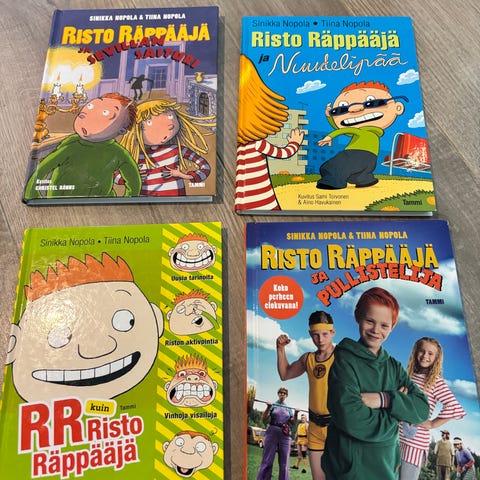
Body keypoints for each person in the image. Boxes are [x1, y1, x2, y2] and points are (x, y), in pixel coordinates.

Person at [321, 287, 430, 480]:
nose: (376, 330)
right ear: (358, 316)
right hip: (350, 469)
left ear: (392, 326)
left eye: (384, 325)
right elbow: (352, 419)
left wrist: (386, 400)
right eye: (370, 321)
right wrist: (396, 417)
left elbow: (422, 409)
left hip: (387, 468)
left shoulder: (394, 367)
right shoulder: (344, 361)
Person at [24, 93, 142, 199]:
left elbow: (133, 180)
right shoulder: (72, 145)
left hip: (102, 200)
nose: (89, 113)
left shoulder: (118, 153)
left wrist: (128, 199)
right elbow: (43, 169)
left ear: (121, 130)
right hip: (62, 198)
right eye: (91, 106)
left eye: (105, 112)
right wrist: (32, 194)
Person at [235, 54, 305, 212]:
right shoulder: (258, 144)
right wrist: (295, 143)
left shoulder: (241, 148)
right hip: (265, 203)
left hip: (247, 202)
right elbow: (283, 153)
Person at [277, 311, 336, 480]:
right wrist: (280, 349)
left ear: (332, 332)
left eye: (325, 334)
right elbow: (285, 374)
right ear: (310, 334)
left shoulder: (343, 356)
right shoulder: (308, 359)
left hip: (337, 427)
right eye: (316, 335)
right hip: (315, 428)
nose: (320, 339)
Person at [316, 81, 406, 190]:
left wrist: (330, 136)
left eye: (371, 103)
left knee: (332, 166)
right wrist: (330, 117)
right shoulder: (372, 133)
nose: (355, 109)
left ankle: (333, 182)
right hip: (372, 158)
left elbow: (344, 130)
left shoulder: (361, 131)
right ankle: (364, 179)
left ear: (398, 108)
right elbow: (341, 127)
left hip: (354, 154)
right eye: (342, 109)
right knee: (361, 170)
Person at [399, 337, 466, 479]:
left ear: (436, 358)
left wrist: (432, 424)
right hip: (397, 438)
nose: (425, 356)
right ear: (415, 352)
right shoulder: (408, 375)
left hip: (414, 444)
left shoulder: (435, 381)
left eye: (430, 353)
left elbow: (454, 406)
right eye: (421, 351)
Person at [119, 99, 214, 197]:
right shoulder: (137, 156)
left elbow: (205, 167)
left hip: (175, 201)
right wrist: (131, 178)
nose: (169, 125)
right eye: (149, 122)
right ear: (136, 130)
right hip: (144, 202)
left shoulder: (176, 150)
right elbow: (115, 173)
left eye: (170, 116)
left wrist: (183, 175)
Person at [256, 387, 297, 480]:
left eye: (284, 393)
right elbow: (264, 418)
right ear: (278, 394)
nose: (282, 394)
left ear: (286, 396)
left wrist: (296, 414)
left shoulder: (288, 408)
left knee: (284, 462)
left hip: (285, 435)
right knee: (267, 460)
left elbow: (293, 422)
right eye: (281, 392)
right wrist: (268, 407)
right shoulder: (273, 405)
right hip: (272, 432)